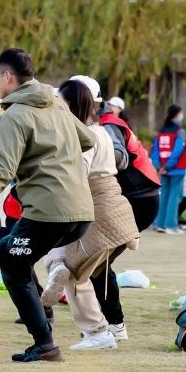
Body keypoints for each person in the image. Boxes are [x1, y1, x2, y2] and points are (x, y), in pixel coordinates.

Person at [0, 48, 95, 363]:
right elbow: (88, 139)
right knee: (16, 252)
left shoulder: (13, 116)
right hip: (81, 212)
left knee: (14, 269)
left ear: (7, 77)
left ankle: (45, 344)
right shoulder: (56, 104)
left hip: (48, 211)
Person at [38, 80, 139, 351]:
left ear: (70, 104)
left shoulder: (82, 137)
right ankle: (110, 329)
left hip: (97, 212)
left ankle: (98, 333)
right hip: (115, 209)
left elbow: (78, 175)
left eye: (60, 101)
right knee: (76, 267)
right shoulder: (101, 131)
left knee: (73, 274)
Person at [91, 89, 160, 338]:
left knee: (96, 261)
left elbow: (119, 158)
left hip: (137, 200)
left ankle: (114, 324)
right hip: (134, 198)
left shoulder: (107, 125)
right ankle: (110, 323)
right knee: (94, 261)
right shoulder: (101, 123)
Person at [151, 104, 186, 233]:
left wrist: (159, 167)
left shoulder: (161, 131)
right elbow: (178, 150)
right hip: (176, 169)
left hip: (163, 169)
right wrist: (167, 166)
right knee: (174, 197)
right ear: (177, 114)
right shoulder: (180, 131)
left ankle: (160, 224)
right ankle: (171, 226)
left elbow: (155, 150)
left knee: (164, 195)